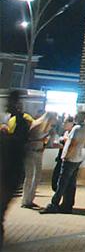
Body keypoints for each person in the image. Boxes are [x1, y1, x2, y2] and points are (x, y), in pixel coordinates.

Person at [1, 90, 32, 246]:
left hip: (8, 174)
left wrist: (5, 136)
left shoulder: (20, 123)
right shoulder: (16, 121)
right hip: (10, 173)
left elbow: (18, 146)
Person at [43, 110, 85, 214]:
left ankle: (54, 204)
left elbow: (73, 143)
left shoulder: (76, 129)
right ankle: (68, 205)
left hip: (70, 159)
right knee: (71, 184)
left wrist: (66, 155)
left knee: (62, 183)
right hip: (77, 158)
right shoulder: (84, 129)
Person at [22, 112, 55, 208]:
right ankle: (26, 200)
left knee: (33, 176)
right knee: (32, 176)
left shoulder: (41, 125)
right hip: (33, 151)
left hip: (36, 151)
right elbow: (34, 138)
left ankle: (28, 200)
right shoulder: (39, 126)